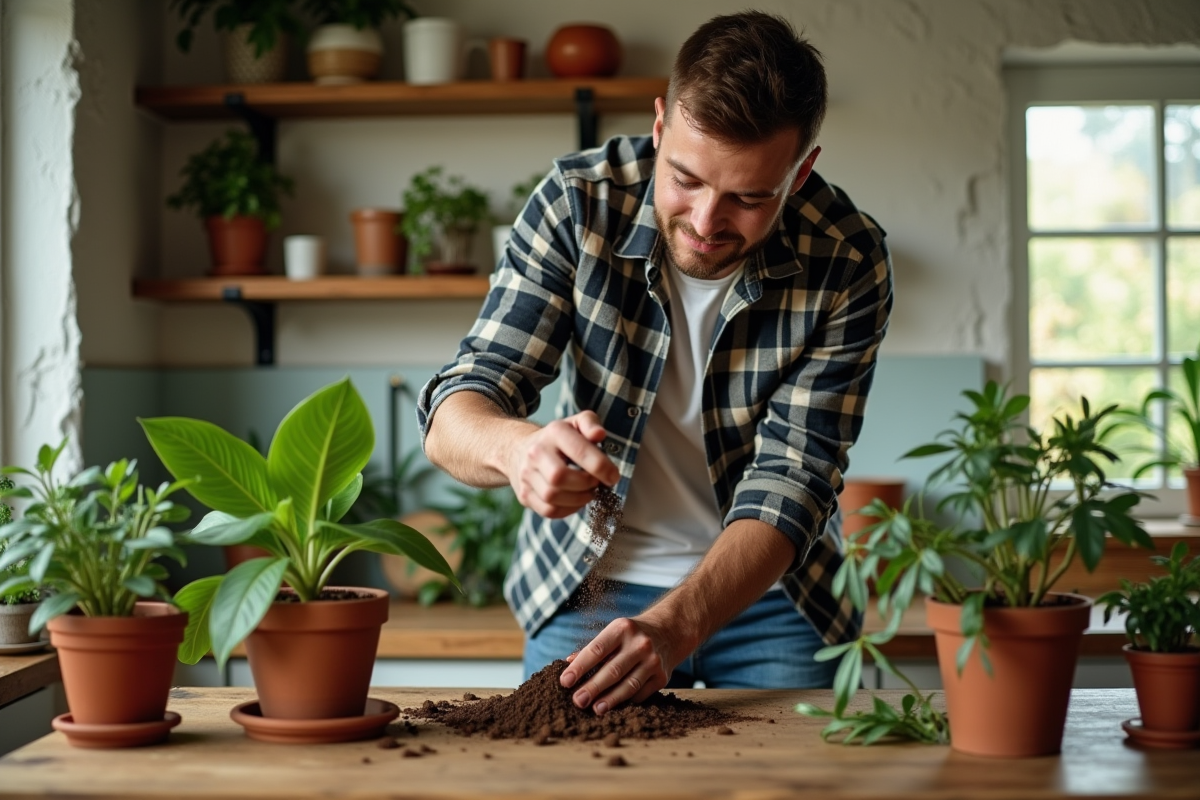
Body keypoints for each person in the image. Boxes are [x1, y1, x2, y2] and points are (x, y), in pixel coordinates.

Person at [417, 10, 893, 716]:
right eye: (687, 180)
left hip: (775, 600)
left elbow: (796, 476)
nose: (706, 221)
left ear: (802, 171)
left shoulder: (848, 260)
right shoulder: (578, 204)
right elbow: (464, 398)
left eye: (749, 197)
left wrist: (677, 625)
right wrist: (520, 453)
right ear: (661, 124)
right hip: (588, 585)